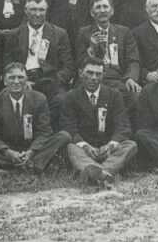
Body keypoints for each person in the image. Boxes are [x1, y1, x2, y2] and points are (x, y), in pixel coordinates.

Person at [0, 62, 71, 173]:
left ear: (26, 80)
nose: (16, 82)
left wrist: (32, 151)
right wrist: (7, 152)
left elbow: (45, 132)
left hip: (33, 148)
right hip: (8, 149)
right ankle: (29, 166)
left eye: (20, 77)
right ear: (4, 81)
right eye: (12, 78)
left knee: (64, 136)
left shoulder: (39, 98)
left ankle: (14, 168)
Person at [58, 55, 138, 187]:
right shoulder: (71, 97)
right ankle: (102, 174)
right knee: (70, 147)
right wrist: (85, 145)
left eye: (98, 74)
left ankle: (99, 172)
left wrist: (111, 145)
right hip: (85, 150)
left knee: (131, 145)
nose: (94, 78)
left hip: (108, 150)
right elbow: (68, 127)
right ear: (80, 73)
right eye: (89, 73)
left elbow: (123, 126)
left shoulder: (114, 95)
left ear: (103, 75)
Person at [3, 0, 73, 98]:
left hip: (50, 80)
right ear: (25, 10)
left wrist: (51, 83)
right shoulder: (14, 35)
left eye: (41, 10)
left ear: (46, 11)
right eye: (33, 10)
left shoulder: (60, 34)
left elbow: (67, 68)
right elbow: (8, 65)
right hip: (22, 79)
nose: (37, 14)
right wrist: (21, 81)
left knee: (61, 100)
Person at [76, 0, 142, 97]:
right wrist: (92, 49)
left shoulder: (124, 32)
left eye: (105, 6)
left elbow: (133, 61)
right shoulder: (84, 33)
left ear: (112, 11)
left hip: (118, 79)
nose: (102, 10)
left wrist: (130, 78)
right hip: (93, 79)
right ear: (92, 13)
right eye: (98, 7)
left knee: (136, 97)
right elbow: (80, 64)